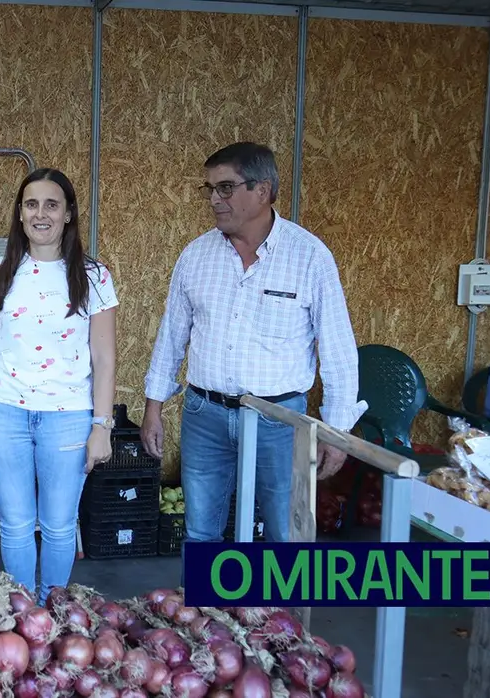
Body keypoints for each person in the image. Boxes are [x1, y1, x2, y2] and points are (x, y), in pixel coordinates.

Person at [141, 142, 364, 576]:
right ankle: (206, 630)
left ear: (263, 190)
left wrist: (338, 429)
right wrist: (154, 406)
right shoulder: (196, 256)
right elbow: (172, 335)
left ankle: (284, 635)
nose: (213, 200)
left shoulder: (309, 257)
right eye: (208, 189)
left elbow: (338, 347)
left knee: (285, 532)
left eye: (225, 188)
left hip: (279, 419)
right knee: (201, 532)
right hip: (204, 413)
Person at [0, 168, 118, 606]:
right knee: (15, 523)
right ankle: (25, 612)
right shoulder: (2, 271)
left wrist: (101, 426)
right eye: (31, 204)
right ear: (20, 213)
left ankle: (55, 609)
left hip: (68, 419)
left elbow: (104, 359)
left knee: (61, 525)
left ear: (68, 214)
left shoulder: (92, 276)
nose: (41, 213)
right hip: (5, 413)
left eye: (52, 204)